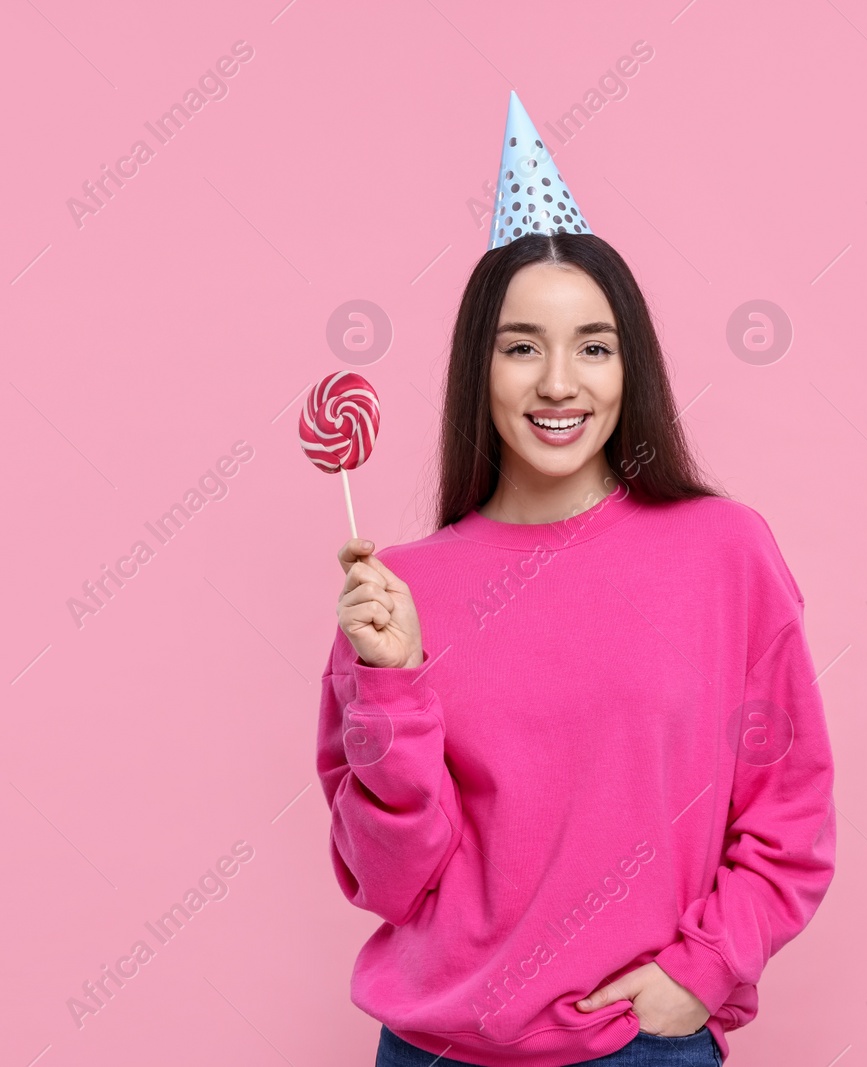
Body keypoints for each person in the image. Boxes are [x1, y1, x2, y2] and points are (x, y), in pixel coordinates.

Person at [316, 230, 837, 1067]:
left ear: (631, 367)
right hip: (433, 1047)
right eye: (521, 346)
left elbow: (790, 808)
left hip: (639, 1047)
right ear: (476, 370)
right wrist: (393, 685)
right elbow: (387, 880)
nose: (559, 382)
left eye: (593, 346)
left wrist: (703, 971)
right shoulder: (394, 595)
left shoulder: (724, 552)